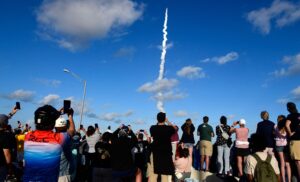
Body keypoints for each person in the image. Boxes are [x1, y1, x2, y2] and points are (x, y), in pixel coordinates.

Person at [23, 105, 69, 182]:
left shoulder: (28, 136)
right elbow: (72, 131)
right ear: (53, 122)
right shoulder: (59, 138)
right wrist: (70, 116)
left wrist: (54, 114)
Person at [148, 112, 176, 182]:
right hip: (166, 153)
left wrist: (160, 121)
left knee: (154, 174)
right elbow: (174, 129)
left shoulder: (153, 128)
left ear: (157, 119)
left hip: (156, 153)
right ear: (164, 119)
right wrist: (167, 121)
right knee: (165, 174)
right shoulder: (169, 129)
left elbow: (153, 131)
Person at [54, 108, 75, 182]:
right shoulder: (65, 137)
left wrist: (57, 114)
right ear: (66, 127)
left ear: (55, 127)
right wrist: (70, 116)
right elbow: (72, 131)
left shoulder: (49, 137)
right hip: (63, 174)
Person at [0, 106, 18, 181]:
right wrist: (10, 168)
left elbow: (2, 120)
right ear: (6, 125)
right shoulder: (5, 136)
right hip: (1, 165)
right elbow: (7, 154)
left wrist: (12, 113)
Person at [285, 102, 300, 181]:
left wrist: (290, 133)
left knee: (297, 161)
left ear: (288, 109)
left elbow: (287, 125)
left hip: (295, 140)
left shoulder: (290, 116)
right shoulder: (299, 115)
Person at [274, 115, 291, 182]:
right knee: (287, 164)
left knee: (282, 163)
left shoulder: (275, 126)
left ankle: (283, 180)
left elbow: (274, 133)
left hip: (278, 145)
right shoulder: (286, 127)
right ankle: (289, 180)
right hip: (286, 144)